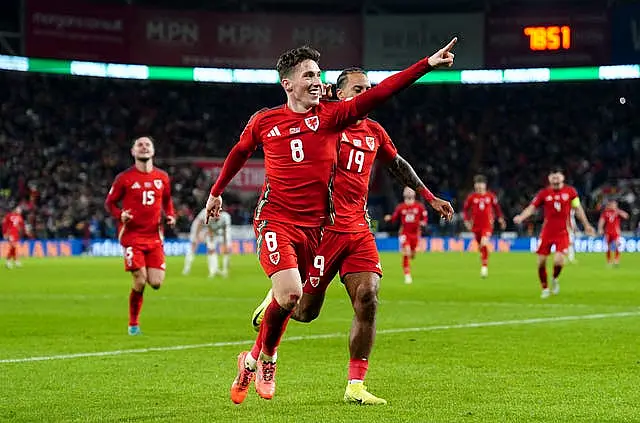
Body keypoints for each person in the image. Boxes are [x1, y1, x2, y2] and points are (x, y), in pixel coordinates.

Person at [205, 40, 457, 404]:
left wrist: (426, 64)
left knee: (307, 307)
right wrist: (216, 192)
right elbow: (239, 151)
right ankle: (269, 358)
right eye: (308, 75)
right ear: (287, 83)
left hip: (317, 228)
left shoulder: (333, 118)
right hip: (275, 219)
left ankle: (253, 358)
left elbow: (381, 96)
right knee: (293, 296)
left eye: (318, 75)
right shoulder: (265, 120)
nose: (315, 81)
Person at [105, 136, 176, 335]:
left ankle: (135, 319)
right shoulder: (124, 178)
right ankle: (133, 324)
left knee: (156, 283)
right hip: (132, 237)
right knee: (139, 280)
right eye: (140, 145)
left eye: (147, 145)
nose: (144, 147)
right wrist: (121, 215)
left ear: (153, 151)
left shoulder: (162, 177)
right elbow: (110, 203)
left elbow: (167, 201)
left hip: (154, 238)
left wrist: (170, 215)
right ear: (133, 152)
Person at [513, 169, 595, 298]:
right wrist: (521, 217)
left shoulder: (571, 192)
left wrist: (586, 225)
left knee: (559, 261)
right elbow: (532, 207)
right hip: (547, 232)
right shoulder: (544, 193)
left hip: (563, 232)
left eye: (558, 176)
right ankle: (545, 288)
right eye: (553, 176)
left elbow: (578, 209)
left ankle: (555, 278)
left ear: (562, 177)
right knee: (540, 262)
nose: (555, 178)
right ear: (549, 178)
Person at [463, 174, 506, 278]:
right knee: (481, 246)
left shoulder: (490, 196)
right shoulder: (472, 197)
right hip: (476, 226)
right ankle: (484, 258)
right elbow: (465, 210)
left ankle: (484, 267)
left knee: (484, 243)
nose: (479, 187)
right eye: (477, 185)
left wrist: (501, 219)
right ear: (475, 186)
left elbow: (497, 209)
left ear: (485, 185)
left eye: (481, 185)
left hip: (487, 226)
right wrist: (466, 221)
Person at [384, 187, 428, 284]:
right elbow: (395, 217)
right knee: (406, 252)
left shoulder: (419, 206)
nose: (408, 191)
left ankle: (411, 256)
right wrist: (389, 218)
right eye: (406, 190)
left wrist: (423, 223)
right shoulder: (401, 207)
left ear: (414, 193)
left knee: (412, 254)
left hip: (415, 234)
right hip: (404, 233)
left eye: (410, 190)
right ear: (404, 193)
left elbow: (424, 217)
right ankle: (407, 275)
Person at [183, 208, 232, 278]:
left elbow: (221, 231)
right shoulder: (206, 212)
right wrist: (197, 236)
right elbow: (199, 224)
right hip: (198, 227)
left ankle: (216, 269)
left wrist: (224, 243)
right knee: (194, 246)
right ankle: (186, 268)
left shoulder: (224, 217)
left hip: (212, 228)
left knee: (213, 248)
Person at [598, 200, 629, 266]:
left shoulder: (617, 212)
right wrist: (600, 228)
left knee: (617, 245)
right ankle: (609, 261)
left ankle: (616, 260)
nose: (613, 206)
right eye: (612, 204)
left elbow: (626, 216)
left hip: (616, 232)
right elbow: (601, 220)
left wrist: (618, 210)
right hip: (608, 232)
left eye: (614, 204)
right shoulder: (606, 212)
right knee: (608, 247)